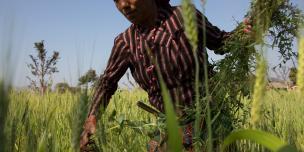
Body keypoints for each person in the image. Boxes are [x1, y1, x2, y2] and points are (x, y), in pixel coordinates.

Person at [80, 0, 251, 151]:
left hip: (211, 119)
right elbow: (107, 83)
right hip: (170, 127)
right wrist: (91, 119)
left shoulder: (185, 16)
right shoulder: (125, 42)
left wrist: (244, 33)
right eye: (116, 0)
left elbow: (220, 42)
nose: (123, 5)